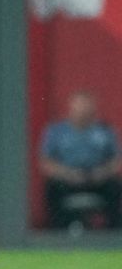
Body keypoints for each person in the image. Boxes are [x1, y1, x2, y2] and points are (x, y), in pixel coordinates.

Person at [40, 90, 121, 228]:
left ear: (93, 109)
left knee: (114, 186)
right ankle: (57, 232)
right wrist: (67, 174)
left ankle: (113, 234)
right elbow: (46, 162)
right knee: (52, 187)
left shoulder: (105, 130)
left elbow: (117, 160)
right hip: (67, 179)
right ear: (71, 108)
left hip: (97, 179)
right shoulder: (56, 131)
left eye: (86, 107)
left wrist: (102, 172)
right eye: (79, 107)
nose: (82, 111)